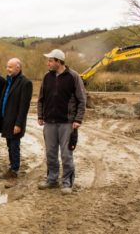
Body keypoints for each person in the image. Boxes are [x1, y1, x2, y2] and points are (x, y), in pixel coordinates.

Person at [37, 49, 86, 195]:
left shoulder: (73, 76)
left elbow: (82, 100)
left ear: (58, 61)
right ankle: (52, 179)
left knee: (66, 154)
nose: (48, 63)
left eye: (50, 61)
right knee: (51, 153)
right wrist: (40, 115)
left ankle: (67, 182)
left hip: (67, 123)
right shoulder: (47, 77)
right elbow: (41, 99)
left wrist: (78, 119)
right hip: (49, 122)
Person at [0, 58, 33, 179]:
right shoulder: (8, 81)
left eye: (10, 67)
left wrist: (18, 124)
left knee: (14, 146)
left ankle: (14, 170)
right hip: (6, 120)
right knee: (9, 145)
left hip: (15, 122)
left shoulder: (25, 83)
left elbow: (24, 107)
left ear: (18, 68)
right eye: (7, 66)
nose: (8, 69)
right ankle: (12, 166)